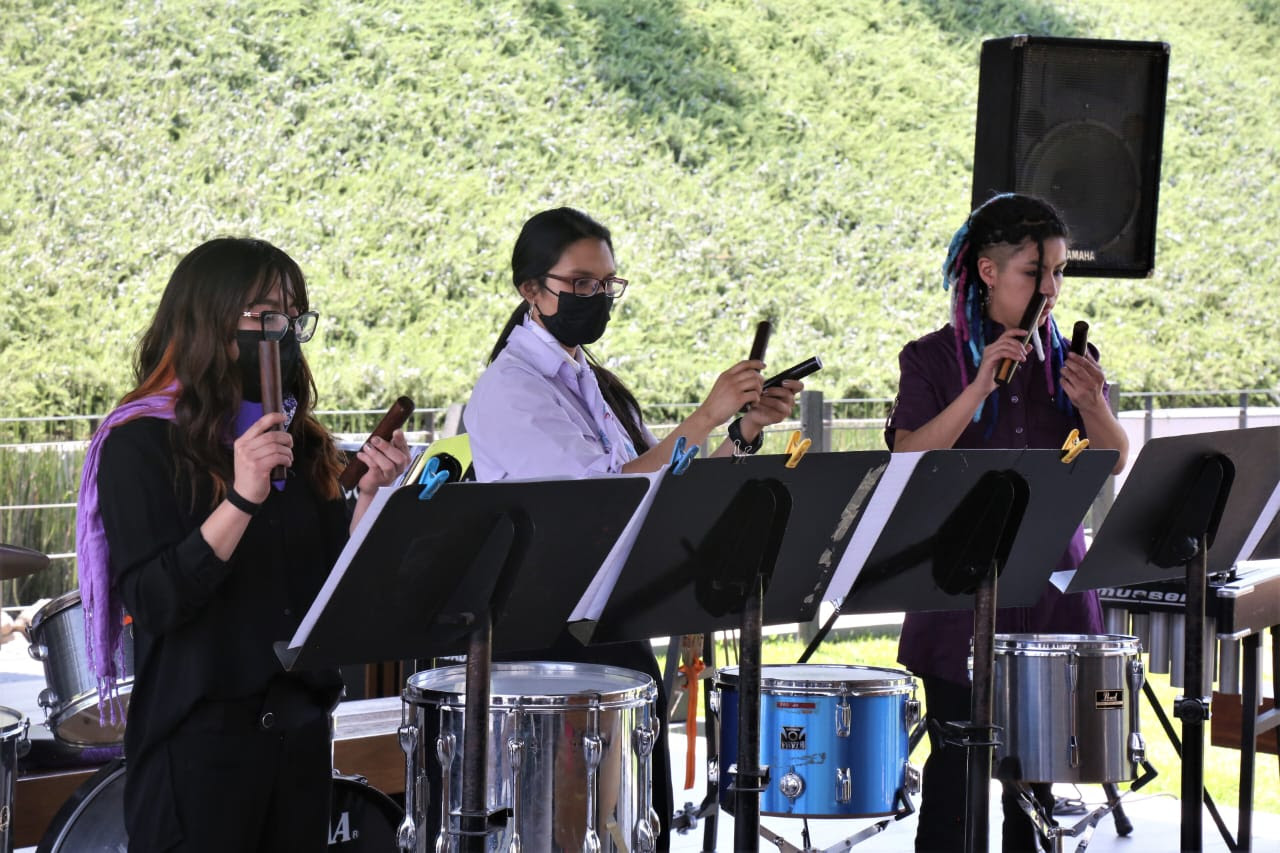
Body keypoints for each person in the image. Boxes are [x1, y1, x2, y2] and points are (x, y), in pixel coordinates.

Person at [464, 207, 804, 849]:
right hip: (548, 641)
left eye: (608, 284)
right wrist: (704, 416)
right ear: (531, 290)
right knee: (573, 831)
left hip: (614, 622)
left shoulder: (590, 379)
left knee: (639, 827)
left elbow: (667, 481)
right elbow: (606, 495)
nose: (597, 298)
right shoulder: (510, 390)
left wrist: (744, 430)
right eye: (581, 283)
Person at [76, 237, 409, 852]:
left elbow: (330, 587)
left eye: (291, 316)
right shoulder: (142, 441)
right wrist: (243, 496)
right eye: (262, 314)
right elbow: (154, 603)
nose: (279, 331)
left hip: (300, 737)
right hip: (198, 749)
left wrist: (370, 498)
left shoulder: (300, 440)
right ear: (205, 317)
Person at [883, 193, 1129, 853]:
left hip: (1053, 590)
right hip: (955, 592)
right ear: (988, 272)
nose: (1050, 287)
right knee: (956, 777)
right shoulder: (930, 359)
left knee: (1041, 786)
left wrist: (1093, 404)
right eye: (1034, 271)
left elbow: (1112, 460)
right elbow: (907, 456)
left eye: (1057, 273)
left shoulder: (1071, 359)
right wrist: (979, 387)